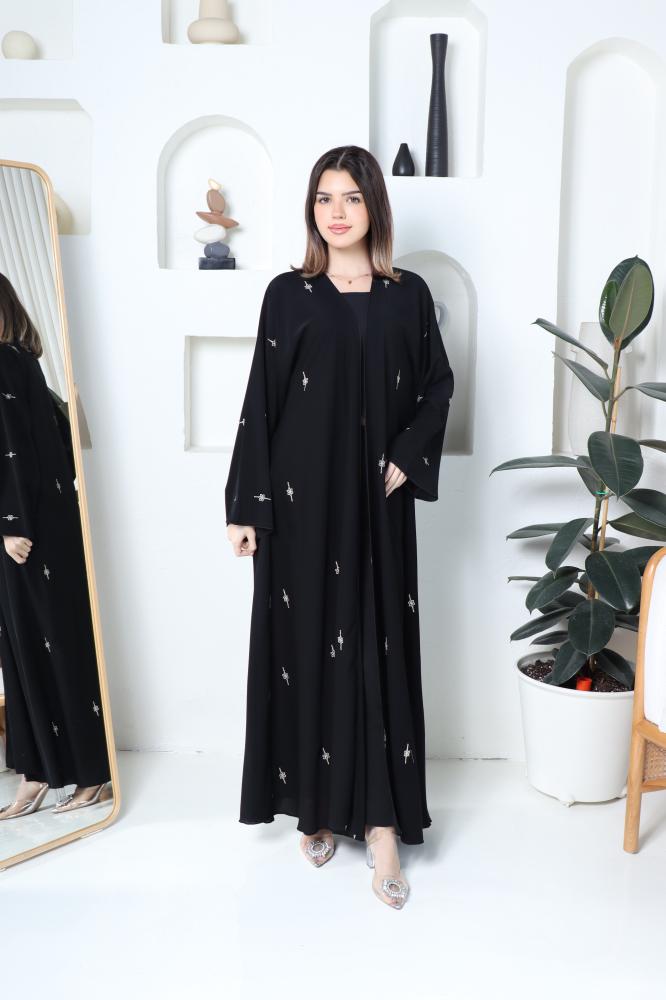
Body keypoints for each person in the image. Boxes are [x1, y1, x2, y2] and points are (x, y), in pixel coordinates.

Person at [225, 145, 454, 909]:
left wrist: (407, 458)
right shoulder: (287, 294)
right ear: (311, 209)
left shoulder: (407, 295)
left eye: (351, 197)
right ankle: (316, 808)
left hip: (377, 506)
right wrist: (246, 505)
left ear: (374, 208)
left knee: (376, 649)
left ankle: (382, 826)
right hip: (300, 508)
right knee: (307, 648)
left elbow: (437, 385)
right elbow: (261, 400)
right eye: (324, 197)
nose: (336, 211)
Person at [0, 273, 111, 819]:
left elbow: (17, 448)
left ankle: (91, 774)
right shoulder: (20, 361)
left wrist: (13, 523)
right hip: (29, 525)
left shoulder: (6, 361)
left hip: (28, 530)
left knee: (56, 648)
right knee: (24, 652)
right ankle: (37, 771)